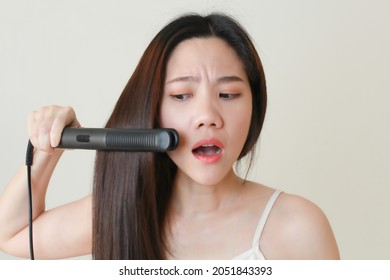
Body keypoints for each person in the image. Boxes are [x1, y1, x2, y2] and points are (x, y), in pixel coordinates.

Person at [0, 12, 340, 260]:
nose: (208, 116)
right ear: (152, 110)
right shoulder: (120, 212)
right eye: (181, 96)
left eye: (228, 95)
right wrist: (48, 147)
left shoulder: (298, 227)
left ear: (254, 106)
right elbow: (11, 234)